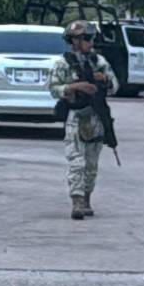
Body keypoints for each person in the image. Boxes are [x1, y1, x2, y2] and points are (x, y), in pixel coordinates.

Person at [47, 19, 116, 220]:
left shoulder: (99, 62)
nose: (89, 42)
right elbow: (53, 88)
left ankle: (86, 198)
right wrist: (74, 87)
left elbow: (115, 85)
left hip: (95, 117)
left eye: (91, 38)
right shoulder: (63, 64)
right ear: (73, 41)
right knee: (76, 162)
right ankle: (76, 201)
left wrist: (103, 80)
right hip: (75, 117)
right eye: (85, 38)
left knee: (91, 164)